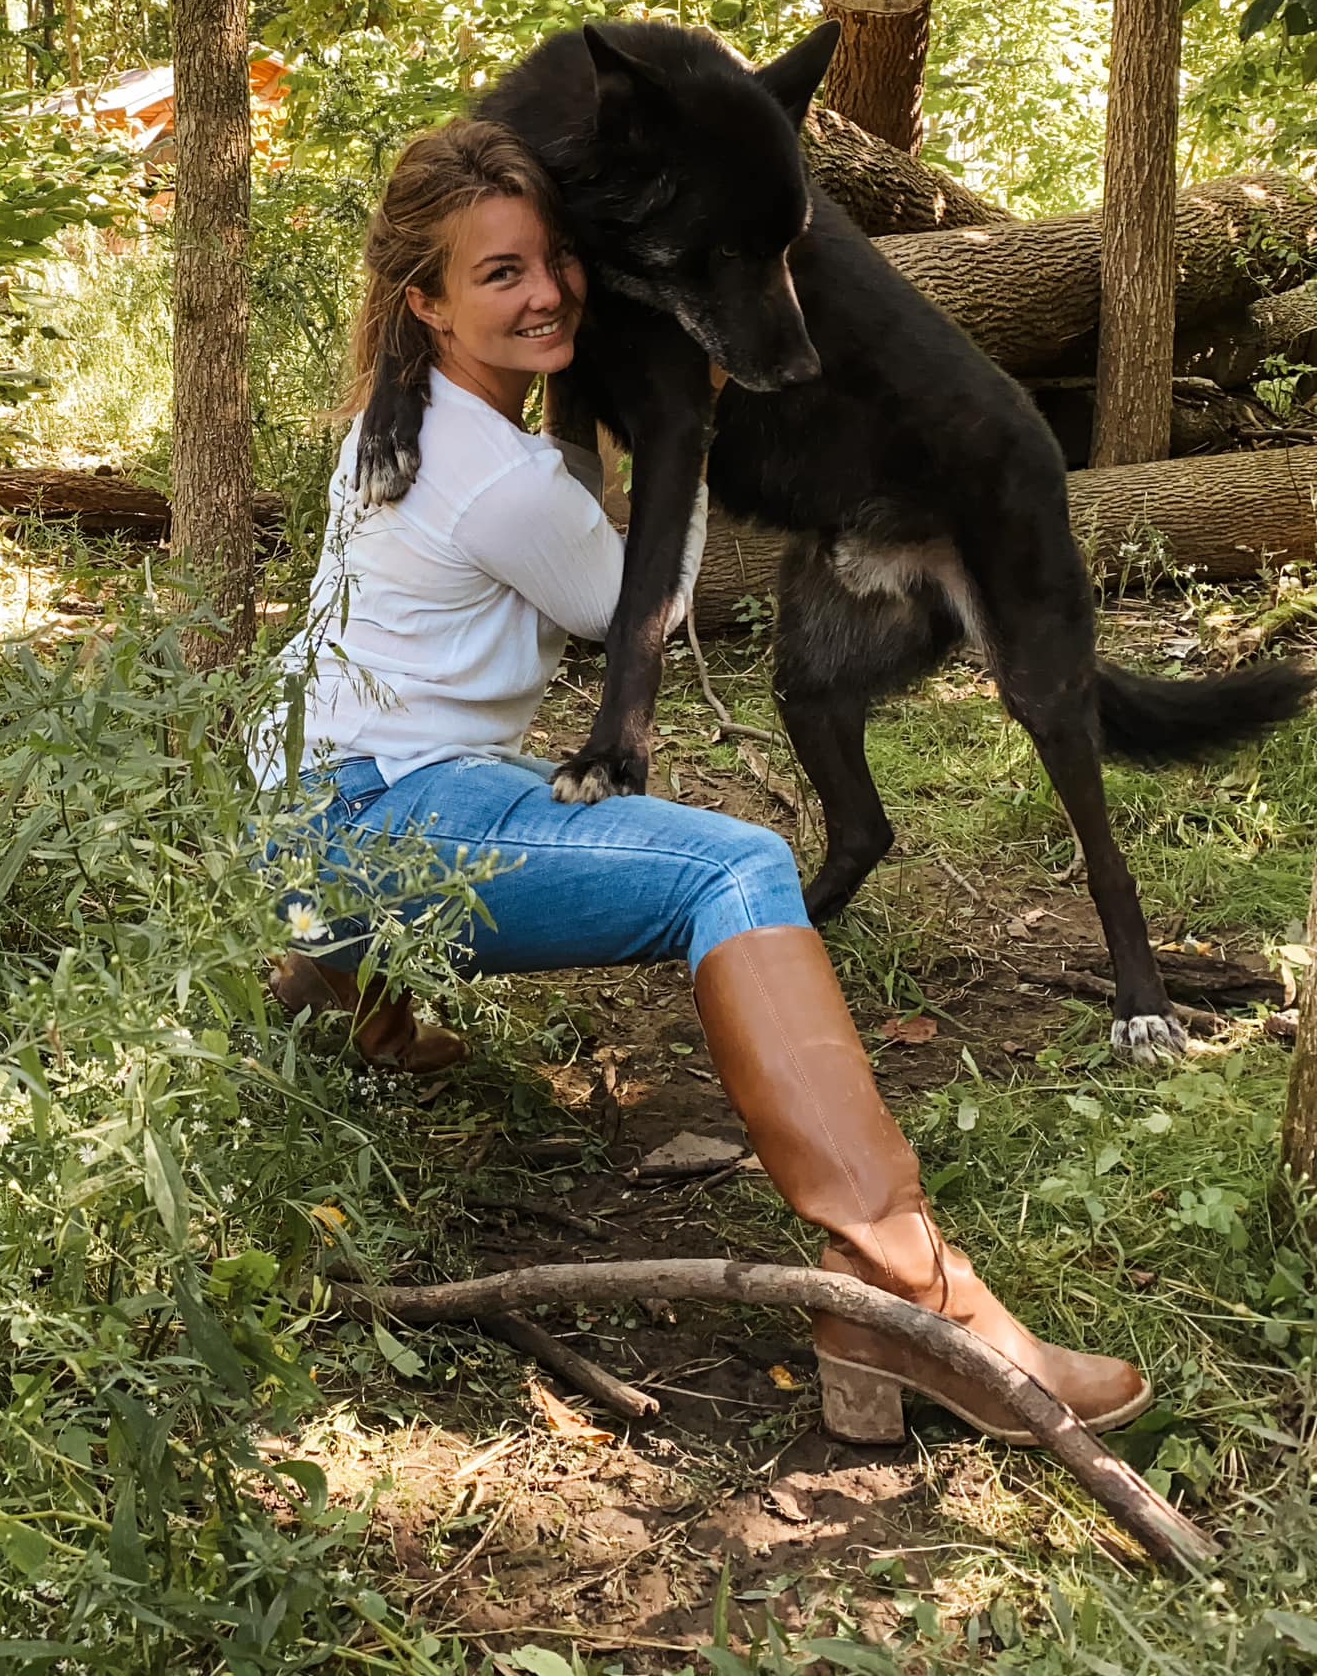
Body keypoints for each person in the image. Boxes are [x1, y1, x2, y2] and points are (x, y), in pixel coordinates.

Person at [254, 118, 1150, 1449]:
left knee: (469, 774)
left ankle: (347, 990)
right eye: (500, 275)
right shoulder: (495, 476)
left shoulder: (395, 421)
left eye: (556, 261)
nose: (550, 291)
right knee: (736, 868)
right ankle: (905, 1296)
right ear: (425, 301)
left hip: (302, 817)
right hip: (389, 830)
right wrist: (688, 412)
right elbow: (651, 602)